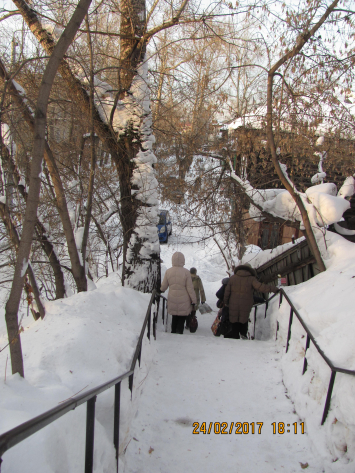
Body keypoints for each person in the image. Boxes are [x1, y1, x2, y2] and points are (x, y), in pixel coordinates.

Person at [223, 264, 279, 339]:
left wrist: (226, 302)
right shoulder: (251, 279)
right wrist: (274, 289)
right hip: (245, 304)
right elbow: (261, 287)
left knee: (234, 320)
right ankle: (243, 335)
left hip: (233, 304)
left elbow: (227, 292)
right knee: (244, 319)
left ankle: (235, 337)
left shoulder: (232, 278)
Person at [160, 252, 197, 334]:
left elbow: (163, 287)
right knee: (182, 318)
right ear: (183, 260)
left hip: (172, 298)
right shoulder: (186, 272)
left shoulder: (168, 271)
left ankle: (173, 332)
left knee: (174, 317)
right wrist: (194, 300)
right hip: (184, 300)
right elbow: (190, 288)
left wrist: (160, 289)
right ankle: (179, 332)